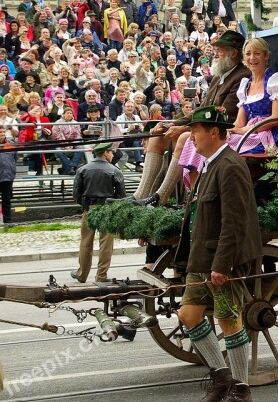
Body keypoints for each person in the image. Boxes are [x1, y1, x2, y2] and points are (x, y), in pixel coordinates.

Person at [172, 105, 259, 402]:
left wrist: (222, 264)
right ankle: (222, 380)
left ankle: (242, 391)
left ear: (213, 132)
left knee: (228, 319)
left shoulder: (230, 165)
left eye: (195, 129)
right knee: (188, 316)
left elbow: (235, 222)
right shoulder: (210, 164)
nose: (191, 135)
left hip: (222, 260)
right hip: (202, 258)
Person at [132, 30, 250, 206]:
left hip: (220, 133)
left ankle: (159, 198)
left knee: (183, 137)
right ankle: (140, 196)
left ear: (233, 53)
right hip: (205, 129)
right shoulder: (218, 77)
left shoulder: (242, 76)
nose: (215, 54)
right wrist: (169, 124)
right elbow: (202, 109)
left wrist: (185, 128)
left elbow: (221, 115)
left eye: (220, 50)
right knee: (157, 138)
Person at [70, 142, 126, 283]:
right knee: (106, 244)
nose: (113, 155)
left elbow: (76, 193)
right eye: (111, 152)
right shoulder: (114, 170)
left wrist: (86, 205)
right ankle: (101, 276)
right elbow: (121, 195)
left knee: (85, 242)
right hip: (107, 209)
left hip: (89, 208)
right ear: (105, 153)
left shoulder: (83, 169)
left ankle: (82, 274)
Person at [52, 106, 83, 174]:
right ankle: (69, 168)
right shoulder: (57, 123)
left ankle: (73, 166)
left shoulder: (76, 123)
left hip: (73, 144)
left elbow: (78, 135)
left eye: (71, 113)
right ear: (63, 114)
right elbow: (57, 135)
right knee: (58, 150)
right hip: (61, 143)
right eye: (67, 113)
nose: (69, 114)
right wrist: (65, 144)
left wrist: (73, 144)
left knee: (80, 148)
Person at [0, 130, 16, 226]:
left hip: (7, 175)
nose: (2, 134)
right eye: (0, 133)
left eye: (3, 133)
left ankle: (8, 220)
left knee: (6, 199)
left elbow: (15, 157)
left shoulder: (10, 144)